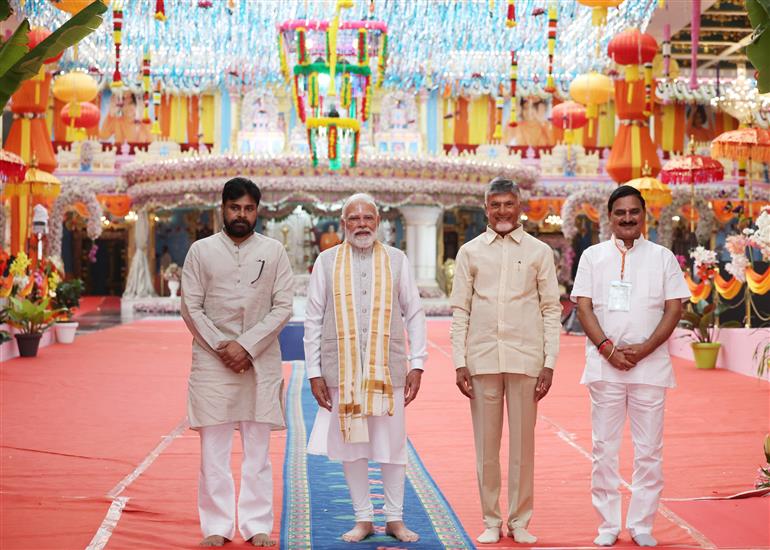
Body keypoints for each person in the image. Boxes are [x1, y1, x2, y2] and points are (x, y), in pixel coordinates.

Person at [571, 185, 690, 548]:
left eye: (633, 212)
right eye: (620, 212)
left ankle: (641, 524)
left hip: (649, 368)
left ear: (643, 216)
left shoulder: (663, 257)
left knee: (649, 449)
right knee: (604, 447)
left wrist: (643, 350)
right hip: (605, 367)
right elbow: (583, 307)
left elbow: (674, 308)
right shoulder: (593, 256)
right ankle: (608, 523)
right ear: (609, 217)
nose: (627, 218)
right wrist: (608, 349)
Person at [303, 193, 427, 543]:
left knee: (392, 445)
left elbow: (414, 314)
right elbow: (313, 320)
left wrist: (417, 364)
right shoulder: (326, 262)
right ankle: (363, 519)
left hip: (388, 371)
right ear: (344, 224)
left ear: (378, 222)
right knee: (352, 446)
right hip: (341, 370)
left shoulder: (396, 260)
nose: (361, 225)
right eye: (354, 219)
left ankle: (395, 518)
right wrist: (314, 372)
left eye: (367, 218)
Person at [180, 177, 294, 547]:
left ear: (257, 210)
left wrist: (245, 346)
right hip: (213, 363)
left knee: (257, 451)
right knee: (213, 451)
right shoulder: (201, 251)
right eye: (234, 208)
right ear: (222, 209)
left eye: (248, 208)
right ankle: (216, 526)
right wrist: (222, 346)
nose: (241, 215)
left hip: (259, 361)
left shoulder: (274, 251)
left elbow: (283, 307)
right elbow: (190, 307)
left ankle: (256, 523)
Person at [450, 177, 562, 544]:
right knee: (486, 447)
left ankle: (519, 520)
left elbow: (550, 309)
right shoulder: (470, 252)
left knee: (522, 448)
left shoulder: (538, 252)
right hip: (481, 359)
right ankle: (490, 518)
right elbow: (460, 311)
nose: (502, 211)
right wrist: (458, 361)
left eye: (508, 204)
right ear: (486, 209)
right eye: (495, 205)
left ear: (520, 207)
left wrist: (549, 362)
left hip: (526, 359)